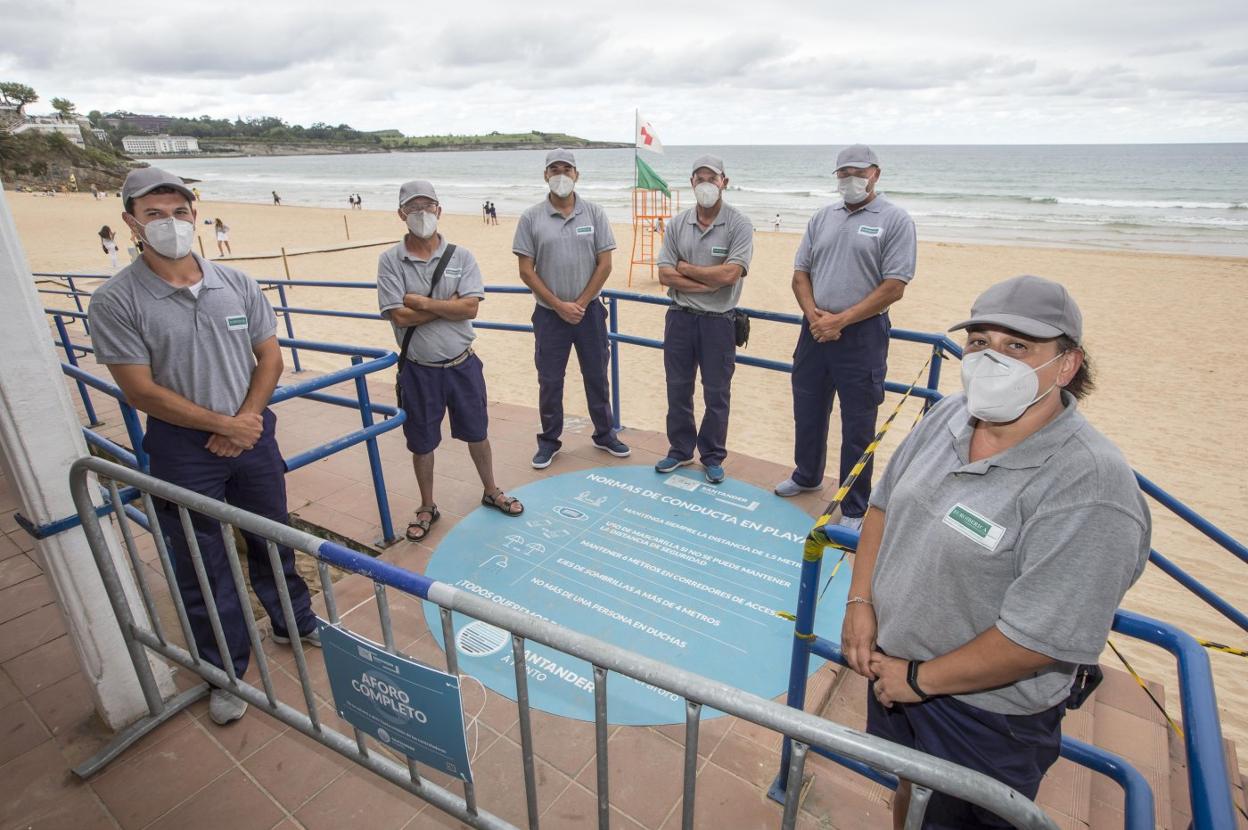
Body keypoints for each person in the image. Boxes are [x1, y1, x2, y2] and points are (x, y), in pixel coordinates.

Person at [841, 275, 1151, 830]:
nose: (991, 360)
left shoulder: (1092, 488)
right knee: (913, 793)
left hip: (985, 715)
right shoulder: (948, 415)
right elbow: (883, 507)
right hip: (897, 669)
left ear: (1066, 366)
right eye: (979, 342)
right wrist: (860, 602)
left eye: (1017, 347)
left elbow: (1036, 638)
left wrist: (919, 680)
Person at [87, 167, 319, 727]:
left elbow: (270, 357)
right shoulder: (116, 301)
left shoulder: (236, 283)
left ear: (196, 214)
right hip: (182, 446)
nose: (171, 223)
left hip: (252, 431)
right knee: (200, 559)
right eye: (154, 214)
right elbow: (139, 388)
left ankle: (294, 621)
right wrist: (223, 423)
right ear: (131, 223)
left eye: (180, 212)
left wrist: (245, 419)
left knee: (272, 534)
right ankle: (225, 670)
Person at [774, 145, 916, 532]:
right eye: (843, 173)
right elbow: (800, 274)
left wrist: (843, 319)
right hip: (814, 330)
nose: (850, 179)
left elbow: (895, 286)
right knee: (808, 409)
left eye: (858, 172)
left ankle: (854, 505)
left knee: (858, 422)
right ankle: (807, 475)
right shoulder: (822, 217)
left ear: (875, 174)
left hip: (862, 335)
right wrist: (815, 317)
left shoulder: (895, 220)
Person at [378, 180, 524, 542]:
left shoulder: (462, 256)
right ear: (401, 214)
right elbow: (398, 316)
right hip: (418, 369)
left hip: (462, 364)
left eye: (428, 206)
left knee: (478, 432)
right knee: (421, 442)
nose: (422, 214)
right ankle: (427, 505)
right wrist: (449, 307)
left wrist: (423, 303)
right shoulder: (390, 261)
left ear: (440, 210)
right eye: (414, 208)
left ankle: (491, 490)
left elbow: (470, 307)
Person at [513, 149, 629, 468]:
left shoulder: (594, 213)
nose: (561, 175)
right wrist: (558, 305)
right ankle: (549, 440)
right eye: (554, 169)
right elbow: (526, 270)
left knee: (596, 375)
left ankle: (605, 434)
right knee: (550, 380)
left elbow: (605, 264)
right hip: (550, 316)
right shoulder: (531, 217)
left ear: (577, 175)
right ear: (545, 175)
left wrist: (578, 304)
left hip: (588, 312)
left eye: (567, 169)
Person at [655, 155, 753, 484]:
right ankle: (680, 450)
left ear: (724, 181)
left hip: (719, 322)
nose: (706, 184)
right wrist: (704, 283)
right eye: (699, 178)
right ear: (692, 183)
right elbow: (664, 275)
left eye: (712, 178)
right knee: (677, 388)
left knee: (716, 392)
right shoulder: (678, 224)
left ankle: (712, 455)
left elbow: (731, 273)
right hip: (680, 319)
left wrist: (686, 269)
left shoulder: (738, 224)